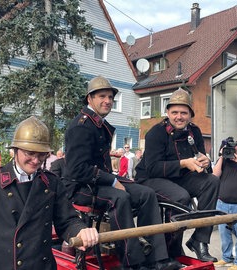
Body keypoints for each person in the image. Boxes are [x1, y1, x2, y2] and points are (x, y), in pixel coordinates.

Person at [63, 76, 180, 270]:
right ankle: (132, 262)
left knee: (146, 194)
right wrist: (111, 181)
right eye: (102, 96)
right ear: (89, 99)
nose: (108, 101)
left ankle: (156, 258)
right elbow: (76, 169)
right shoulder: (81, 126)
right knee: (120, 198)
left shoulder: (98, 123)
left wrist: (112, 180)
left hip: (99, 182)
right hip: (78, 187)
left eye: (110, 97)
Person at [0, 116, 98, 269]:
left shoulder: (52, 182)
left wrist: (80, 231)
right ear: (15, 150)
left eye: (41, 154)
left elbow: (67, 220)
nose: (36, 160)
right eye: (30, 153)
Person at [135, 88, 220, 262]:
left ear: (190, 114)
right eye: (174, 112)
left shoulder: (194, 132)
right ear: (167, 112)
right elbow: (152, 168)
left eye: (183, 112)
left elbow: (200, 158)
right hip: (151, 179)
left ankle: (199, 240)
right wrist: (183, 163)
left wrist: (205, 162)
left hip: (180, 178)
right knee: (181, 197)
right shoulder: (155, 133)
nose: (179, 117)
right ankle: (169, 250)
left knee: (212, 182)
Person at [212, 137, 237, 270]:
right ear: (234, 146)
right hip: (222, 203)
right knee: (224, 234)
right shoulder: (226, 160)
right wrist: (222, 156)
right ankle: (226, 258)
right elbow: (215, 175)